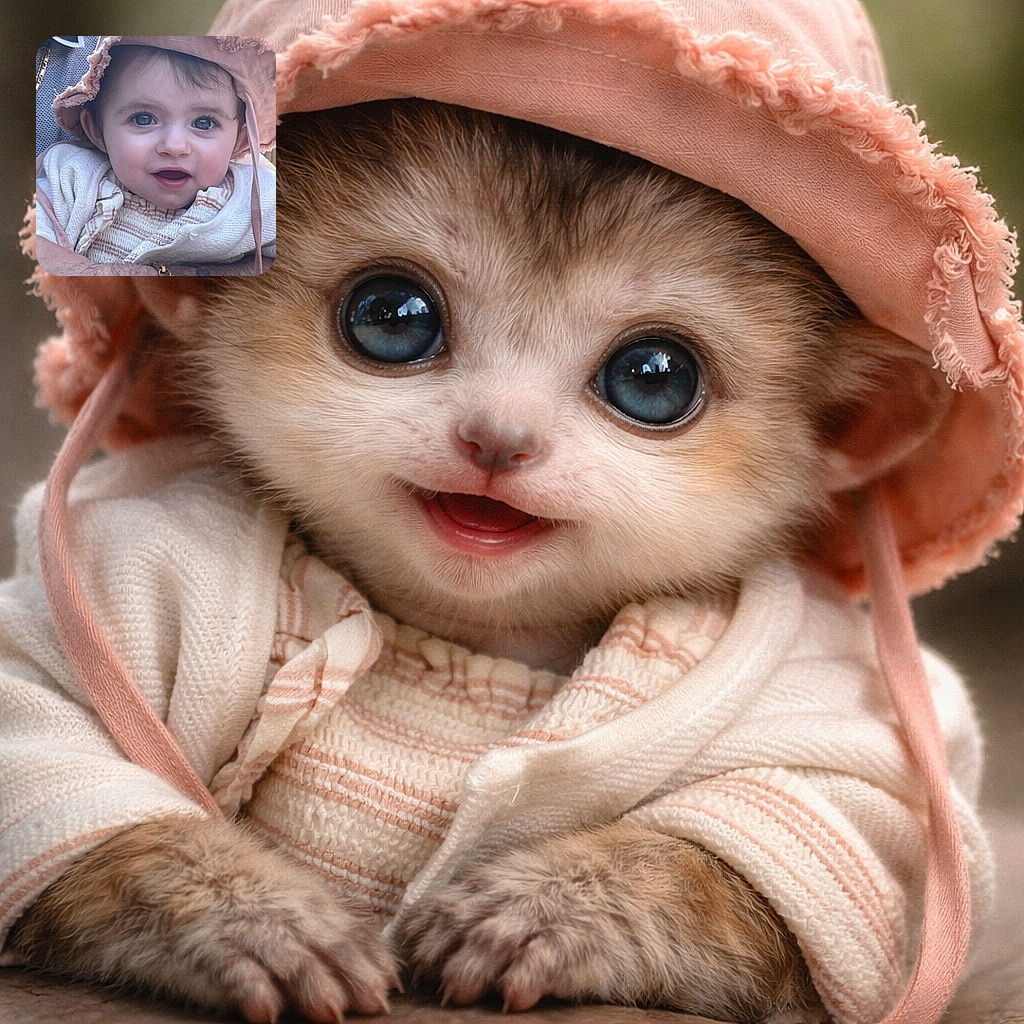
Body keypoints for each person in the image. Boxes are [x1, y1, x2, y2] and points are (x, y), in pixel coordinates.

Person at [34, 36, 275, 274]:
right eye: (143, 119)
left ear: (240, 140)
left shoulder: (254, 199)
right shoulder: (72, 177)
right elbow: (33, 244)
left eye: (203, 123)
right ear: (96, 129)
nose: (174, 146)